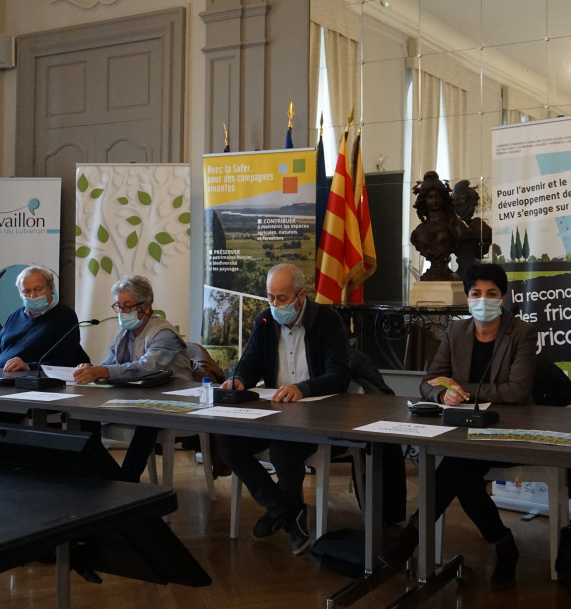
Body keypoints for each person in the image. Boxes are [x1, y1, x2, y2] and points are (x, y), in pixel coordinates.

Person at [378, 263, 537, 589]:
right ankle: (504, 544)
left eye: (491, 293)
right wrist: (441, 392)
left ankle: (412, 537)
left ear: (503, 298)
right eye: (476, 293)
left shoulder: (521, 332)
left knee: (458, 467)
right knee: (462, 473)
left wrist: (461, 389)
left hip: (506, 431)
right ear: (467, 299)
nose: (483, 300)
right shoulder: (456, 331)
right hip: (462, 430)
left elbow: (518, 391)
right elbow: (429, 382)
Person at [217, 263, 349, 555]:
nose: (275, 304)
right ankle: (287, 511)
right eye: (270, 297)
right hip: (273, 413)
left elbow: (339, 375)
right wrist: (239, 379)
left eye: (282, 298)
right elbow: (249, 363)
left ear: (301, 295)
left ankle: (282, 513)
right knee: (228, 444)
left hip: (317, 414)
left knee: (283, 450)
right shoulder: (265, 320)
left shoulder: (327, 321)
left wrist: (303, 388)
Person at [73, 275, 194, 481]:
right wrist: (91, 369)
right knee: (85, 416)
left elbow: (146, 367)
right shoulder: (123, 331)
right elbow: (109, 363)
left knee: (148, 418)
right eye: (118, 306)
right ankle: (107, 479)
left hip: (173, 400)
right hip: (139, 397)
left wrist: (103, 371)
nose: (121, 312)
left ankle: (127, 481)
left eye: (127, 306)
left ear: (145, 307)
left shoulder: (164, 333)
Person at [0, 265, 89, 370]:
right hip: (2, 378)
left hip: (35, 380)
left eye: (38, 289)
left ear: (50, 289)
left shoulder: (65, 316)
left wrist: (27, 366)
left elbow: (62, 361)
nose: (32, 295)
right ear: (20, 294)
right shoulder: (15, 315)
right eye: (26, 291)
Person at [410, 172, 469, 281]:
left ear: (443, 198)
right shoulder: (418, 232)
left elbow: (462, 233)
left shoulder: (455, 224)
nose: (434, 200)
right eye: (430, 197)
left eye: (438, 196)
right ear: (424, 200)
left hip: (447, 277)